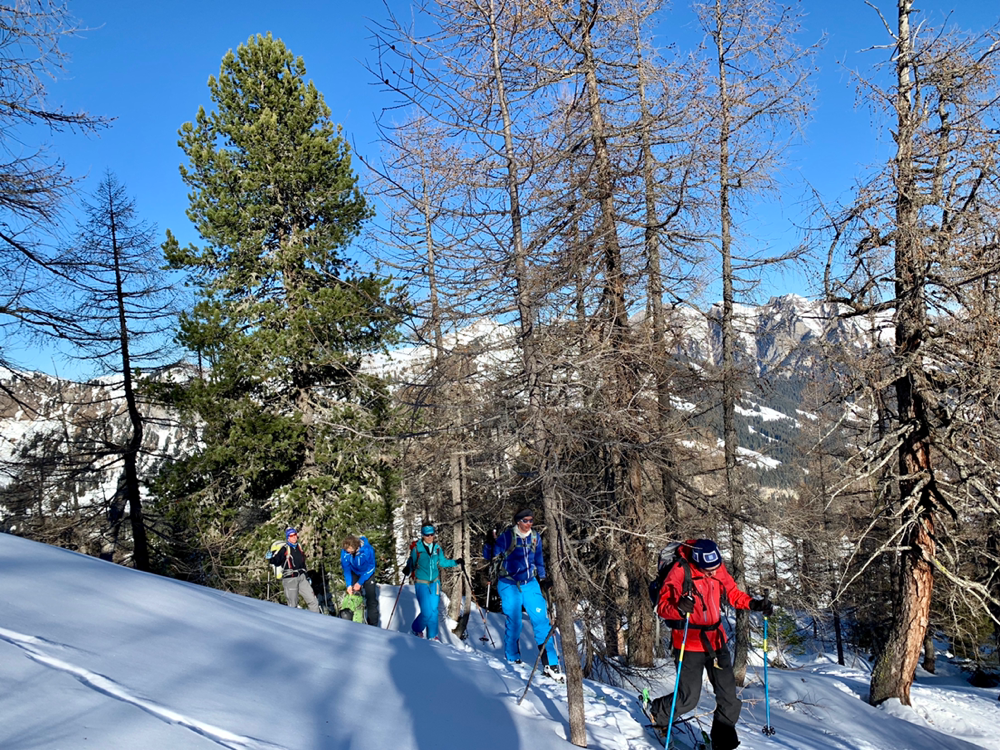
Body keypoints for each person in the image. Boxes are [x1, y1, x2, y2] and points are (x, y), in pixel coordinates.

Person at [650, 538, 773, 750]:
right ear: (697, 563)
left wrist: (754, 604)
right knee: (688, 698)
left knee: (729, 699)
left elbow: (732, 593)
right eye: (708, 570)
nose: (713, 572)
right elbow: (662, 606)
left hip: (716, 640)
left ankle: (722, 744)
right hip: (688, 642)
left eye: (716, 567)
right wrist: (678, 607)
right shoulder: (680, 570)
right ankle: (658, 713)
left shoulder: (716, 567)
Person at [482, 508, 562, 680]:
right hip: (508, 584)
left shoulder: (535, 537)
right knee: (515, 621)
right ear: (518, 521)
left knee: (541, 621)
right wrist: (489, 543)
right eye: (525, 520)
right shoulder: (507, 537)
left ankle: (551, 664)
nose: (529, 524)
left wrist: (543, 578)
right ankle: (512, 658)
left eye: (531, 520)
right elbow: (490, 555)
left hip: (530, 583)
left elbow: (539, 559)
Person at [402, 523, 462, 641]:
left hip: (435, 583)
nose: (430, 537)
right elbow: (412, 562)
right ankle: (416, 629)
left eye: (432, 534)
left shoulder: (437, 548)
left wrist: (456, 562)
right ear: (422, 535)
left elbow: (442, 562)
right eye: (427, 535)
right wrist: (408, 568)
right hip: (421, 583)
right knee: (426, 612)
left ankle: (433, 636)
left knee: (434, 611)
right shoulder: (417, 549)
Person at [269, 527, 320, 613]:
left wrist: (306, 576)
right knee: (292, 605)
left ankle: (316, 619)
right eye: (291, 536)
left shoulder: (299, 547)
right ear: (288, 537)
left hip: (302, 578)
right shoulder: (284, 548)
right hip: (290, 579)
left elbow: (302, 563)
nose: (294, 537)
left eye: (295, 535)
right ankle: (293, 621)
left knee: (313, 601)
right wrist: (271, 559)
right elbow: (277, 562)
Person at [341, 534, 379, 626]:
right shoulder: (345, 552)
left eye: (351, 551)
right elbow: (346, 569)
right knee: (354, 597)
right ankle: (355, 621)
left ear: (356, 547)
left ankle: (373, 625)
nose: (349, 553)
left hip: (367, 573)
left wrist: (360, 582)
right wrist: (349, 585)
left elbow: (371, 567)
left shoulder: (367, 550)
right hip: (354, 572)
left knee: (371, 600)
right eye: (347, 551)